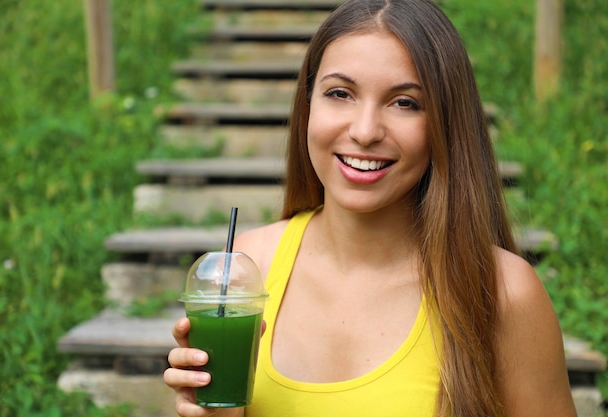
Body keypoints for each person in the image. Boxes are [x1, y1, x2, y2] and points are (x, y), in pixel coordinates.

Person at [164, 0, 577, 416]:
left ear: (446, 125)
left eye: (404, 103)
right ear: (308, 105)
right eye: (339, 93)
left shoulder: (503, 292)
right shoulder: (247, 269)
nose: (364, 132)